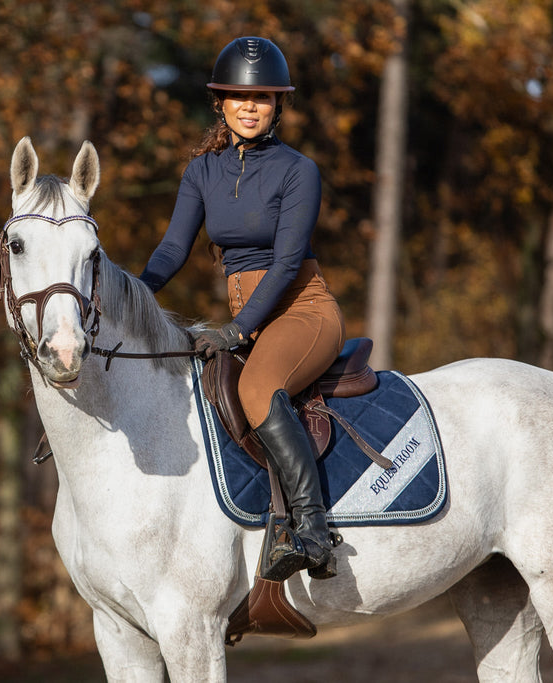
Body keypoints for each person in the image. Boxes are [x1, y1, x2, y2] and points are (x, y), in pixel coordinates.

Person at [139, 37, 345, 581]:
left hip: (302, 309)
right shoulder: (201, 172)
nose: (250, 107)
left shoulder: (299, 170)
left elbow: (285, 264)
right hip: (250, 319)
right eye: (238, 97)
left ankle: (313, 531)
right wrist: (127, 298)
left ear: (279, 105)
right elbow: (170, 251)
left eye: (264, 98)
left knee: (257, 389)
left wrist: (236, 330)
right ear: (220, 103)